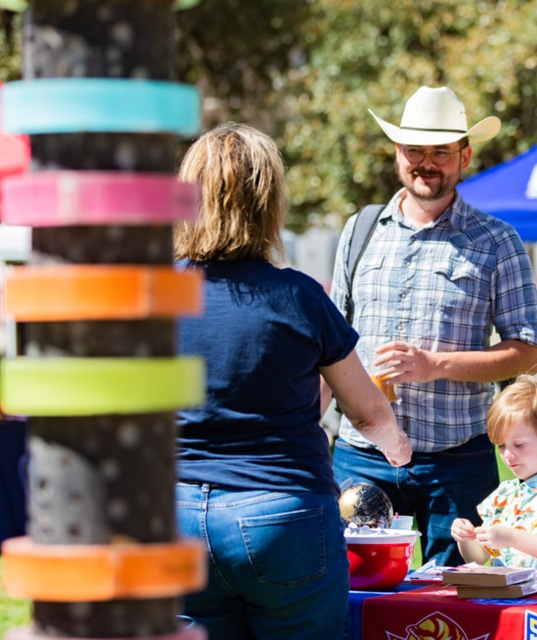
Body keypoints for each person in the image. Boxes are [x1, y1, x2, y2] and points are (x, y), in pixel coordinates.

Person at [173, 123, 412, 640]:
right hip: (283, 514)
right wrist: (398, 447)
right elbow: (368, 412)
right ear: (268, 202)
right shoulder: (299, 297)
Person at [327, 86, 537, 567]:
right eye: (414, 151)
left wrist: (434, 365)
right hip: (361, 454)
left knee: (456, 606)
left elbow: (529, 350)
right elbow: (330, 341)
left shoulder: (497, 240)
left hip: (456, 461)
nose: (426, 163)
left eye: (440, 152)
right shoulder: (360, 230)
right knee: (348, 599)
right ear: (397, 155)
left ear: (463, 157)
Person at [451, 375, 537, 569]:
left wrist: (513, 538)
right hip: (504, 597)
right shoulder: (505, 493)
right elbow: (477, 557)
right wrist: (465, 537)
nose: (508, 455)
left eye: (519, 444)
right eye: (501, 446)